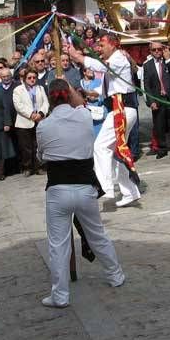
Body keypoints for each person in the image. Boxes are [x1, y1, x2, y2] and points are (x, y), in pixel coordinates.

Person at [36, 80, 126, 307]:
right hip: (85, 188)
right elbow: (79, 101)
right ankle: (115, 275)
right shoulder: (84, 116)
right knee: (97, 235)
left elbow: (41, 156)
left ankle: (60, 295)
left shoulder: (43, 126)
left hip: (58, 190)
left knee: (58, 244)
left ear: (50, 98)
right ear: (69, 95)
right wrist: (70, 89)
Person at [67, 35, 141, 207]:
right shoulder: (114, 60)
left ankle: (105, 187)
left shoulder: (118, 58)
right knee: (115, 152)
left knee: (100, 147)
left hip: (122, 109)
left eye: (102, 44)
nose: (99, 48)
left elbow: (100, 67)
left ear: (113, 45)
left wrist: (78, 57)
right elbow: (102, 91)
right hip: (117, 109)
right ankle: (130, 191)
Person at [12, 68, 49, 176]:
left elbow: (45, 103)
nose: (32, 79)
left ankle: (39, 166)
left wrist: (41, 114)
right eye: (29, 78)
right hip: (24, 122)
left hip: (39, 120)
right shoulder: (18, 90)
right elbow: (18, 105)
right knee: (26, 147)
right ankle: (27, 167)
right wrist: (31, 114)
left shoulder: (40, 88)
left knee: (38, 145)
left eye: (34, 77)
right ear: (24, 79)